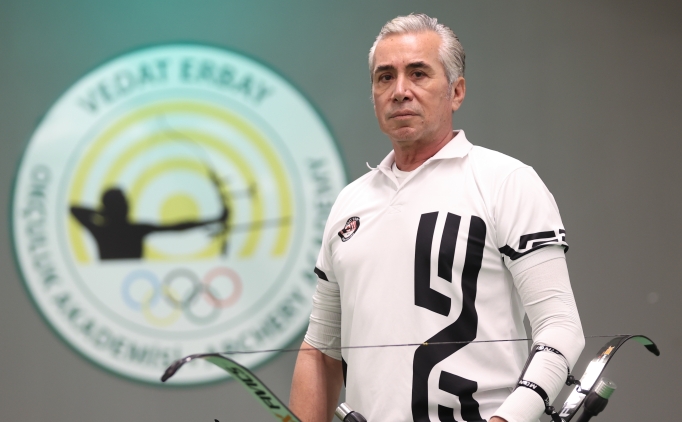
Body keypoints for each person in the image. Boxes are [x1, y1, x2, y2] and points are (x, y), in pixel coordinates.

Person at [290, 14, 584, 422]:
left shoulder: (506, 181)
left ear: (456, 91)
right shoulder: (348, 204)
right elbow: (320, 352)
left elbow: (561, 327)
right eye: (385, 77)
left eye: (418, 73)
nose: (399, 91)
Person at [70, 187, 228, 260]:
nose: (128, 205)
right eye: (123, 203)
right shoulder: (127, 230)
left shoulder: (102, 230)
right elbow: (73, 209)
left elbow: (177, 227)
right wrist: (216, 219)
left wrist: (103, 212)